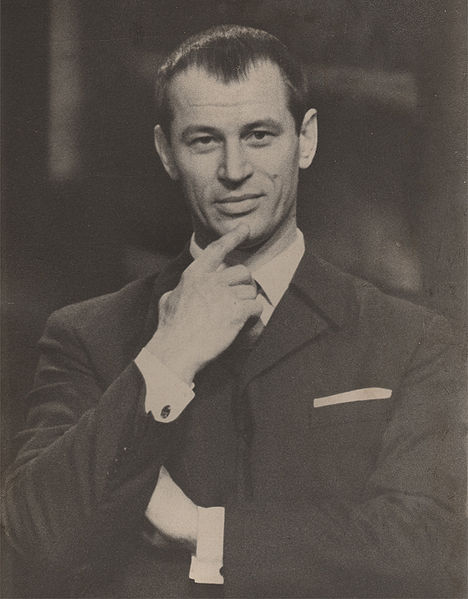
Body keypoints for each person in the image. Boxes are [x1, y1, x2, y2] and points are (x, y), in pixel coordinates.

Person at [2, 25, 465, 599]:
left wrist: (201, 530)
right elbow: (36, 540)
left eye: (259, 135)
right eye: (204, 141)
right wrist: (168, 357)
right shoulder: (87, 335)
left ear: (306, 139)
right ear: (166, 153)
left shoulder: (413, 339)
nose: (234, 169)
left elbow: (432, 552)